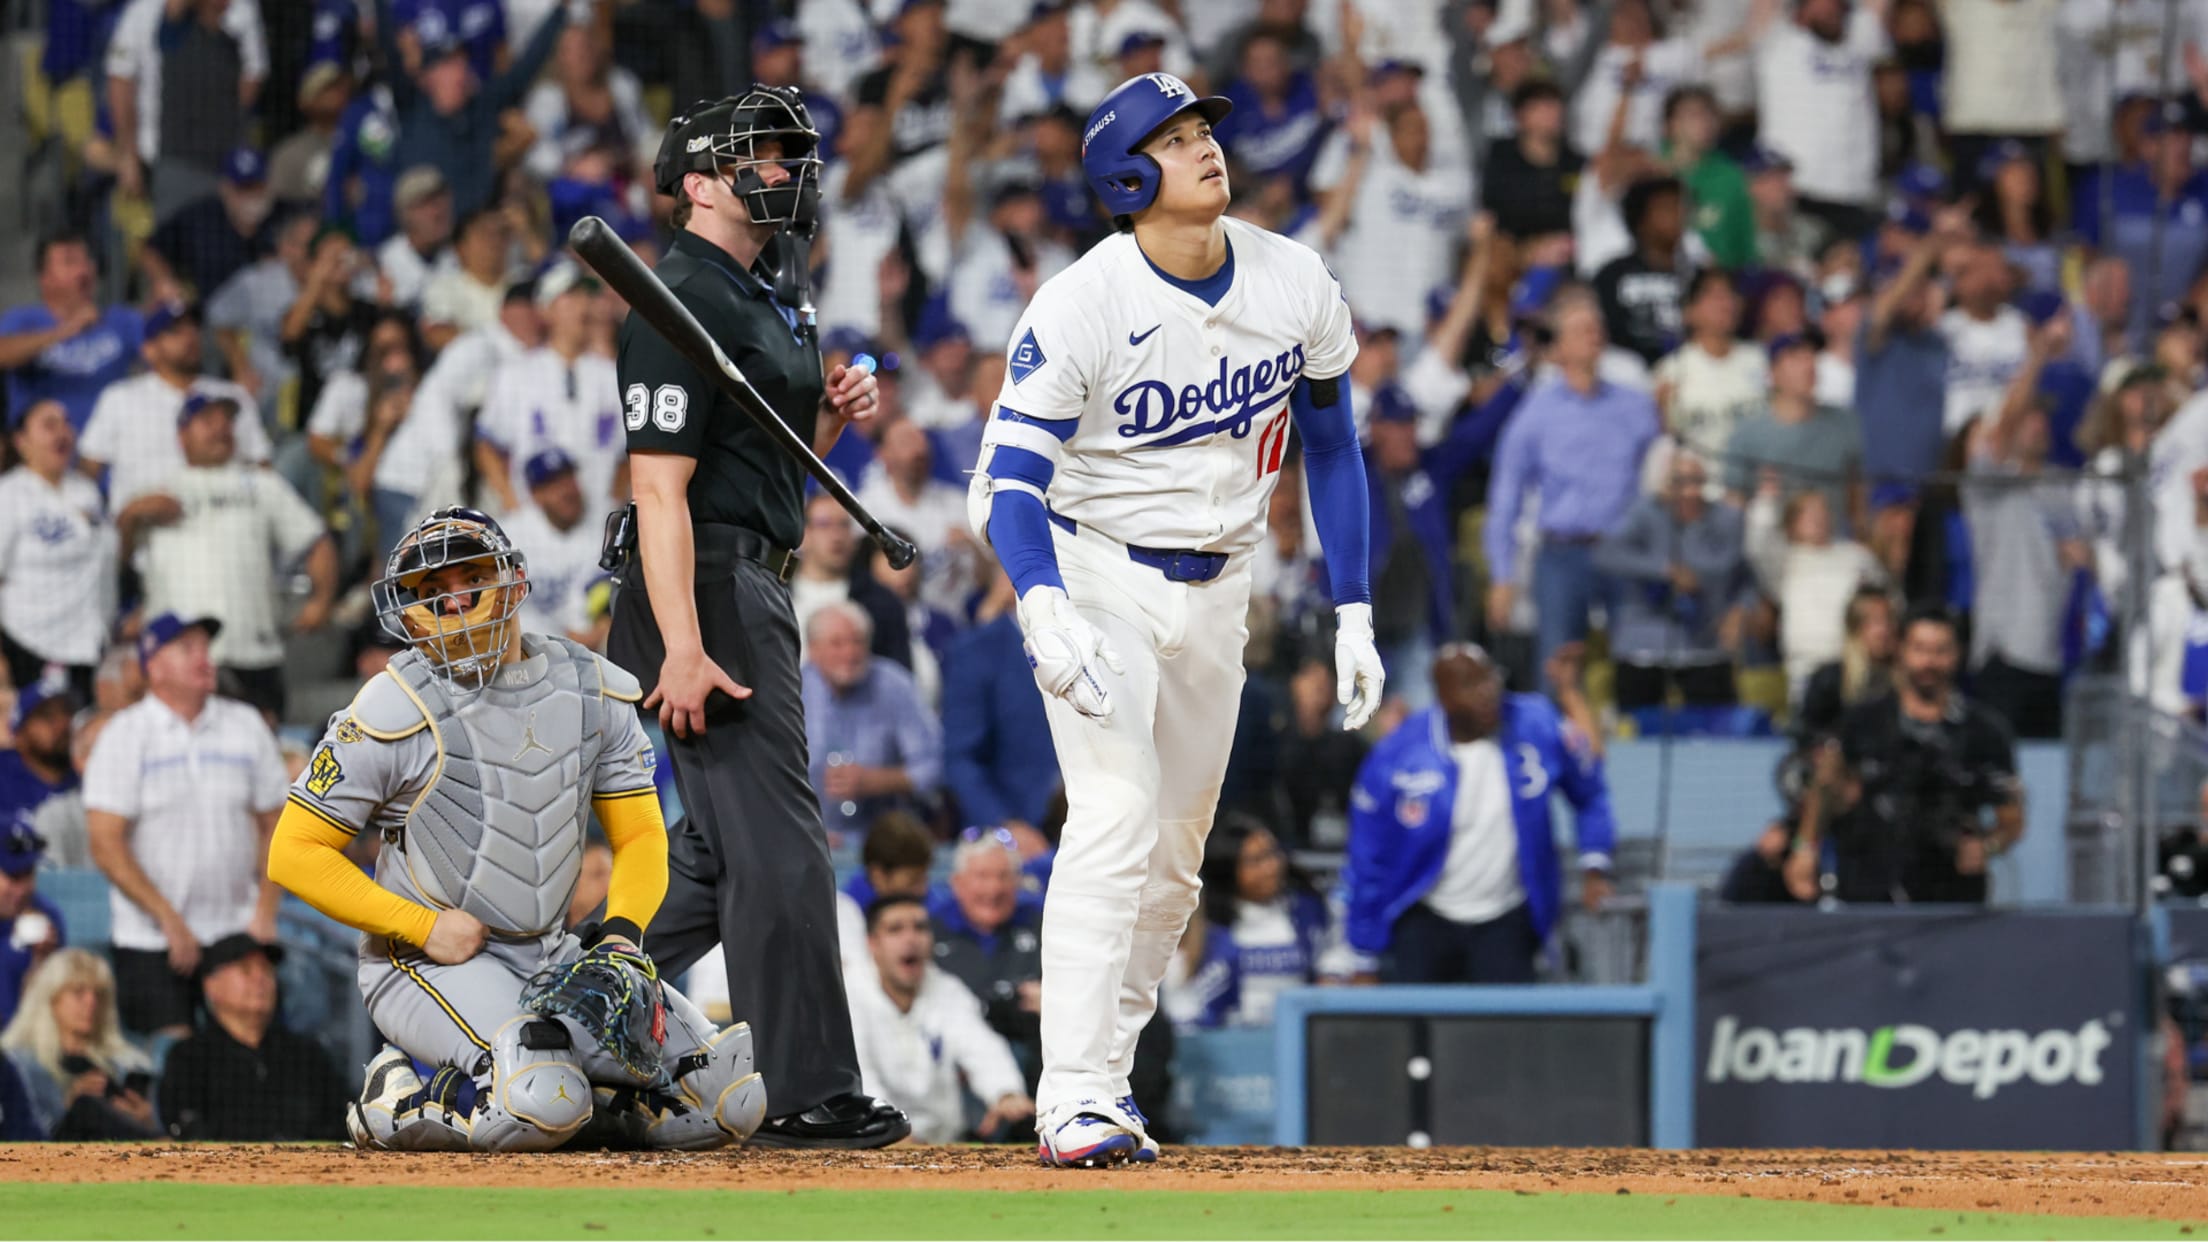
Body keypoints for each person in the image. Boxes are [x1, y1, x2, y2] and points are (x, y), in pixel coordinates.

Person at [963, 72, 1380, 1166]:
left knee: (1179, 855)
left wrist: (1354, 611)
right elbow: (1009, 481)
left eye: (1205, 131)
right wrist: (1044, 605)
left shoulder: (1294, 278)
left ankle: (1110, 1081)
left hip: (1223, 582)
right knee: (1114, 810)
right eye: (1177, 136)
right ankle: (1072, 1096)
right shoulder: (1083, 301)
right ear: (1126, 175)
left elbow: (1332, 447)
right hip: (1093, 565)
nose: (1206, 149)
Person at [265, 508, 764, 1151]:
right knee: (543, 1100)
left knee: (724, 1098)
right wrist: (421, 926)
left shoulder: (589, 688)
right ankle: (400, 1101)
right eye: (429, 593)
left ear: (513, 582)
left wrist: (619, 936)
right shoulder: (391, 705)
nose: (451, 603)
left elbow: (639, 834)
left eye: (467, 582)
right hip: (425, 962)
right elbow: (293, 853)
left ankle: (603, 1102)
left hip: (551, 956)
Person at [604, 91, 906, 1149]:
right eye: (762, 157)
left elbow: (753, 445)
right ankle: (808, 1088)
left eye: (788, 155)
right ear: (698, 183)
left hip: (742, 574)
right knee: (782, 839)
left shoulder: (763, 286)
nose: (785, 171)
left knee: (722, 855)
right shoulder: (676, 295)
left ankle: (571, 999)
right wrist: (685, 647)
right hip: (707, 586)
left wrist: (829, 408)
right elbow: (660, 493)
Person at [1344, 645, 1616, 985]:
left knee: (1503, 1033)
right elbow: (1368, 854)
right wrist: (1363, 952)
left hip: (1507, 915)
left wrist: (1595, 864)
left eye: (1491, 679)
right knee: (1419, 1030)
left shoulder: (1536, 723)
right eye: (1471, 686)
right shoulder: (1398, 754)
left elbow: (1590, 792)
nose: (1488, 693)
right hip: (1423, 912)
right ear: (1443, 697)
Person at [83, 614, 286, 1040]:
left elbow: (279, 823)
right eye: (186, 648)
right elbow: (105, 843)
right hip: (151, 939)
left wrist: (265, 911)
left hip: (237, 932)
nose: (203, 658)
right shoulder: (124, 734)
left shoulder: (245, 724)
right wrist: (169, 920)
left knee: (245, 1062)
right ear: (153, 666)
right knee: (171, 1063)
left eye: (204, 648)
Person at [122, 393, 338, 721]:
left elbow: (316, 539)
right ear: (182, 436)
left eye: (227, 421)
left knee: (262, 756)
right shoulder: (157, 490)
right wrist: (130, 516)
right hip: (179, 657)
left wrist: (321, 600)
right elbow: (116, 562)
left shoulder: (262, 484)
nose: (221, 429)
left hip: (254, 651)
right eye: (208, 421)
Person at [1485, 291, 1663, 663]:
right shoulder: (1536, 412)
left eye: (1597, 328)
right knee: (1557, 663)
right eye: (1582, 329)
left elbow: (1662, 472)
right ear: (1559, 348)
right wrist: (1503, 576)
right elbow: (1506, 495)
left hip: (1623, 550)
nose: (1594, 335)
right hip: (1562, 551)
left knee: (1639, 663)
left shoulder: (1636, 407)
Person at [1802, 605, 2023, 904]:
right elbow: (1824, 789)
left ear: (1957, 654)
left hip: (1951, 899)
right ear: (1901, 650)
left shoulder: (1985, 732)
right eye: (1919, 649)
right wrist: (1805, 850)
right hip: (1867, 893)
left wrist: (1987, 847)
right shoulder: (1861, 723)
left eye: (1940, 650)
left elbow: (2011, 817)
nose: (1929, 662)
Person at [849, 895, 1035, 1145]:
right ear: (873, 944)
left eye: (920, 928)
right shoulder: (850, 995)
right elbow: (860, 1078)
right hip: (875, 1145)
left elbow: (982, 1048)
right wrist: (886, 1132)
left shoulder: (947, 989)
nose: (911, 938)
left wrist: (1005, 1092)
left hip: (944, 1145)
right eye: (895, 929)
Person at [1594, 451, 1750, 711]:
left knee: (1714, 731)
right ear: (1665, 485)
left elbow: (1744, 575)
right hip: (1645, 643)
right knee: (1638, 729)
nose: (1690, 491)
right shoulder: (1644, 512)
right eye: (1680, 482)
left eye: (1697, 482)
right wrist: (1665, 570)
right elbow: (1606, 554)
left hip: (1705, 644)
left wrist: (1740, 609)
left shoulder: (1727, 519)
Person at [78, 302, 272, 511]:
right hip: (143, 531)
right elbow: (88, 471)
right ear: (149, 350)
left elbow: (262, 469)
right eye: (175, 332)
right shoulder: (119, 398)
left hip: (220, 525)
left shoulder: (232, 397)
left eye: (193, 328)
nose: (189, 337)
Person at [156, 935, 348, 1140]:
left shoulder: (308, 1055)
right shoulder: (189, 1058)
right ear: (210, 985)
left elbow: (344, 1121)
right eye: (246, 970)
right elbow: (186, 1129)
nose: (260, 979)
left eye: (267, 970)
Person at [475, 264, 625, 517]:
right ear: (546, 310)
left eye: (586, 296)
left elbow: (628, 454)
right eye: (571, 296)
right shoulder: (515, 374)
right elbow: (486, 444)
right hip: (534, 524)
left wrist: (615, 502)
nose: (583, 305)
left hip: (598, 525)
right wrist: (511, 499)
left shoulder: (612, 376)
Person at [1165, 815, 1326, 1028]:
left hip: (1294, 1036)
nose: (1271, 868)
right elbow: (1184, 1005)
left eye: (1272, 854)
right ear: (1229, 870)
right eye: (1256, 861)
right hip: (1231, 1042)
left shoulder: (1305, 913)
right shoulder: (1203, 929)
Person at [0, 401, 112, 701]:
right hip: (28, 644)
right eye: (49, 425)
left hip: (88, 645)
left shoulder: (86, 491)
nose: (62, 432)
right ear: (21, 442)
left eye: (65, 423)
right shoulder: (8, 494)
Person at [800, 602, 942, 839]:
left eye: (857, 641)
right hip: (808, 838)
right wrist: (810, 831)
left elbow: (933, 766)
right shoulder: (793, 690)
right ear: (813, 650)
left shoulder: (894, 684)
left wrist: (877, 781)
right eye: (837, 643)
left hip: (884, 840)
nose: (850, 653)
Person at [942, 565, 1060, 836]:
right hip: (1018, 831)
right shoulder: (976, 651)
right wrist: (1005, 826)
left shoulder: (1105, 639)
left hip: (1101, 822)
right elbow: (961, 758)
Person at [0, 948, 158, 1139]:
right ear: (51, 999)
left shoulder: (127, 1063)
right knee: (86, 1106)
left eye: (98, 994)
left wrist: (147, 1120)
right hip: (52, 1159)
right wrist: (67, 1106)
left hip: (118, 1157)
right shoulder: (19, 1064)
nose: (91, 1002)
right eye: (78, 992)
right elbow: (20, 1132)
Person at [0, 233, 144, 432]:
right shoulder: (24, 320)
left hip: (113, 450)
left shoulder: (122, 319)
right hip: (45, 454)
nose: (83, 270)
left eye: (87, 260)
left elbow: (165, 358)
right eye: (70, 262)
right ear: (45, 278)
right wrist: (64, 331)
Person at [929, 831, 1045, 1072]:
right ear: (957, 883)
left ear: (1017, 882)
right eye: (982, 876)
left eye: (1003, 876)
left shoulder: (1042, 925)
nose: (994, 888)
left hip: (1034, 1052)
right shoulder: (929, 932)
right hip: (954, 1061)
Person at [500, 449, 611, 648]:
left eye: (569, 479)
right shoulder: (509, 537)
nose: (566, 491)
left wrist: (600, 629)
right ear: (536, 495)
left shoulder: (600, 532)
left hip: (589, 649)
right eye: (554, 485)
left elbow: (602, 602)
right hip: (528, 646)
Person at [833, 812, 934, 979]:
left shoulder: (929, 904)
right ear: (878, 875)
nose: (922, 890)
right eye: (912, 881)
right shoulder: (842, 919)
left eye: (924, 878)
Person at [0, 817, 65, 1028]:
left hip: (23, 1044)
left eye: (29, 875)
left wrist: (41, 962)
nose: (22, 889)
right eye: (13, 877)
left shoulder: (46, 916)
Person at [0, 683, 80, 827]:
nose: (62, 723)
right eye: (47, 716)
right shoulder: (4, 775)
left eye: (67, 712)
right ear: (19, 735)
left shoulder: (86, 774)